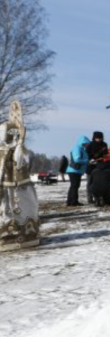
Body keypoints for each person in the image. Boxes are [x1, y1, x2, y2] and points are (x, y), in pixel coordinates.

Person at [0, 102, 40, 251]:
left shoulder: (18, 149)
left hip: (18, 186)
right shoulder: (7, 151)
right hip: (8, 187)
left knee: (20, 207)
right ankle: (7, 236)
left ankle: (23, 235)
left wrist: (21, 143)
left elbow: (22, 161)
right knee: (8, 208)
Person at [66, 135, 91, 206]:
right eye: (86, 143)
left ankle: (70, 201)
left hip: (76, 170)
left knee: (74, 186)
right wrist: (87, 161)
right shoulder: (77, 148)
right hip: (74, 170)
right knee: (75, 185)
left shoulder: (82, 149)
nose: (87, 145)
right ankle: (73, 201)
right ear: (83, 143)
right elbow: (77, 159)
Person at [85, 131, 109, 205]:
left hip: (100, 165)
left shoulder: (104, 144)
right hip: (90, 166)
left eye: (100, 138)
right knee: (90, 182)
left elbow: (105, 153)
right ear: (94, 138)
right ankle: (89, 198)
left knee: (98, 182)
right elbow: (87, 155)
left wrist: (105, 156)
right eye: (97, 138)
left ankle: (98, 198)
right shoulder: (90, 145)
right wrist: (91, 159)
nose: (99, 139)